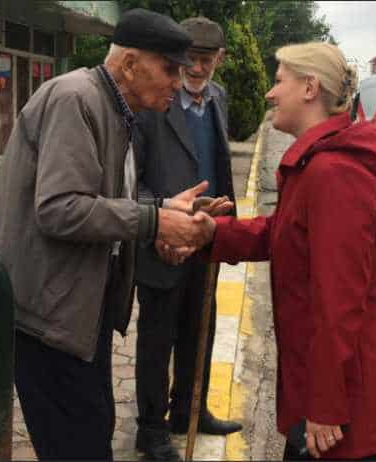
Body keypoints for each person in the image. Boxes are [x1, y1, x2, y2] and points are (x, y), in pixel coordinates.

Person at [0, 9, 221, 461]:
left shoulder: (115, 106)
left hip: (77, 312)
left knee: (92, 434)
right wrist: (153, 221)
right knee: (79, 445)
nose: (179, 79)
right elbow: (59, 209)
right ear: (130, 65)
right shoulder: (77, 99)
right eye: (170, 68)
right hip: (46, 316)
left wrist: (162, 216)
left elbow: (103, 204)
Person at [192, 42, 376, 460]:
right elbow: (285, 232)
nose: (270, 93)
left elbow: (340, 301)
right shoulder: (320, 164)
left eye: (279, 81)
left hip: (345, 391)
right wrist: (214, 234)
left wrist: (327, 405)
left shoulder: (333, 174)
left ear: (310, 88)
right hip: (330, 378)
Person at [132, 16, 242, 461]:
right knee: (157, 338)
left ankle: (189, 409)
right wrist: (157, 221)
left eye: (205, 60)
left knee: (202, 328)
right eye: (189, 60)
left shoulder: (218, 98)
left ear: (220, 59)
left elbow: (218, 159)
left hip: (207, 237)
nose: (196, 70)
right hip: (162, 237)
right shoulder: (152, 100)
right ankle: (150, 429)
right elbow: (130, 180)